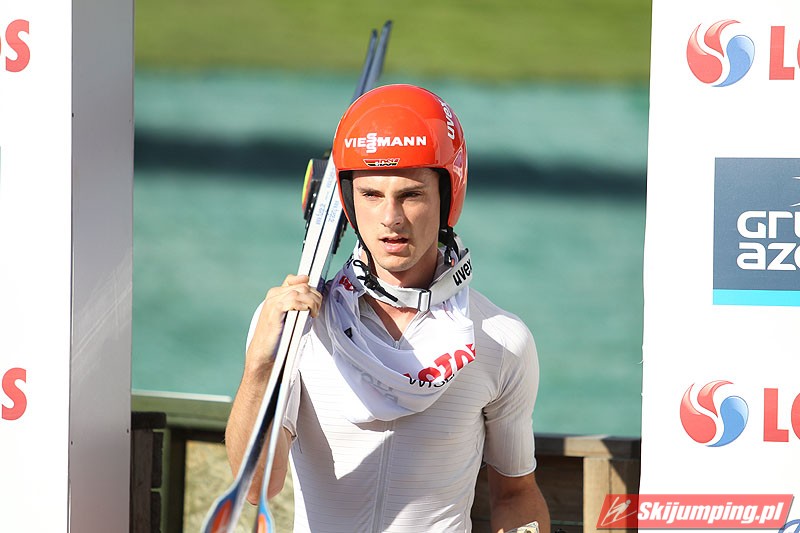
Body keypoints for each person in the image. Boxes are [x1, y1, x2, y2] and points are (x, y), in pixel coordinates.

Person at [225, 84, 550, 533]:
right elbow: (256, 485)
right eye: (371, 195)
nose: (390, 218)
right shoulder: (296, 326)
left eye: (411, 195)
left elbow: (515, 494)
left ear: (447, 197)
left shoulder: (501, 340)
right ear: (347, 201)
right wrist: (260, 367)